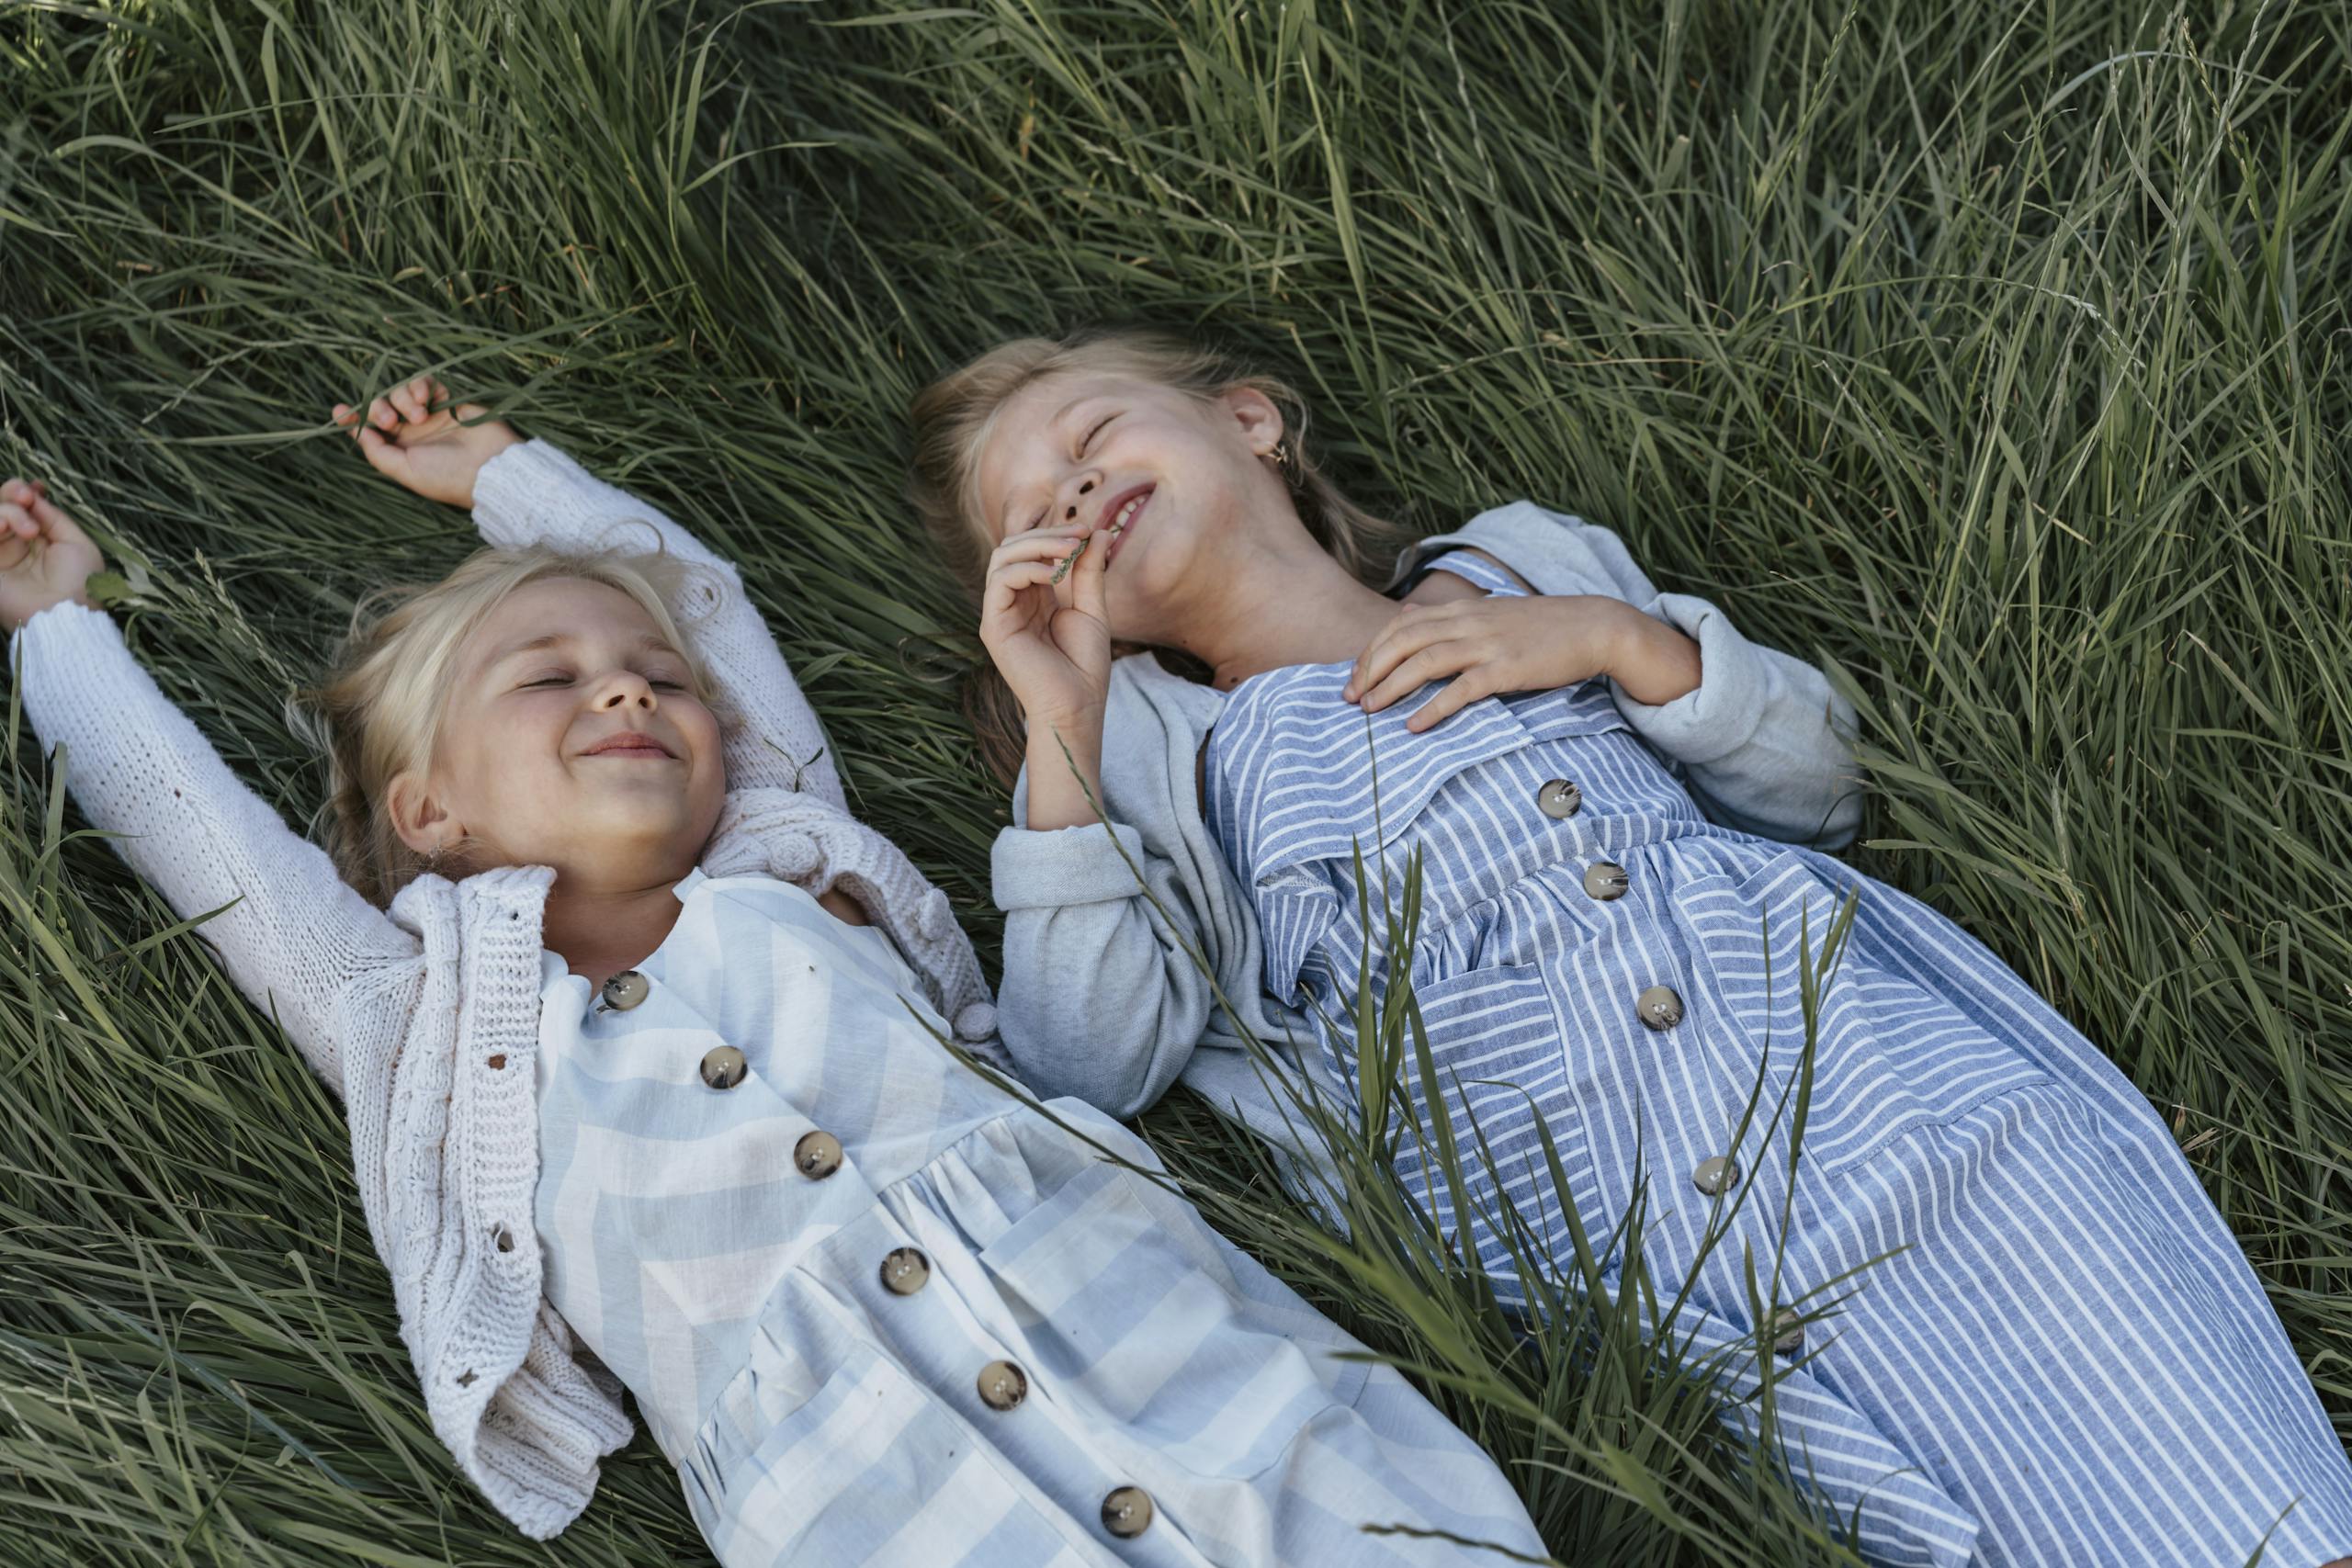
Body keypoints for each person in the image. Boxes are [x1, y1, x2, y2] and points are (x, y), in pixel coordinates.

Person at [0, 373, 1546, 1566]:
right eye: (551, 679)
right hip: (854, 1479)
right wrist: (59, 628)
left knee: (1360, 1503)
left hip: (1128, 1309)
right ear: (431, 815)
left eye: (653, 680)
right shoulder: (416, 1008)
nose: (625, 683)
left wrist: (510, 482)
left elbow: (710, 604)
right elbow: (199, 842)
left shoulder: (789, 848)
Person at [909, 326, 2352, 1567]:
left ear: (1250, 421)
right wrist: (1062, 722)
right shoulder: (1159, 761)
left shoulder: (1518, 565)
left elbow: (1823, 786)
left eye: (1092, 435)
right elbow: (1084, 1058)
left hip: (1843, 1060)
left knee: (2146, 1380)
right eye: (1032, 512)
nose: (1074, 490)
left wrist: (1614, 641)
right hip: (1590, 1216)